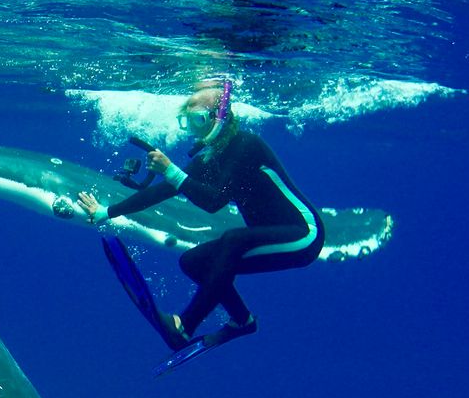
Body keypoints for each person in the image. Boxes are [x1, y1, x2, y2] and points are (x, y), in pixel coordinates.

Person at [77, 81, 324, 351]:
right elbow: (161, 191)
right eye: (187, 121)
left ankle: (183, 326)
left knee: (233, 240)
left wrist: (172, 170)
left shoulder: (245, 145)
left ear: (219, 117)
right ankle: (242, 321)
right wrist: (107, 212)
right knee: (193, 262)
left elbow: (213, 201)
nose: (193, 128)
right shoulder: (211, 157)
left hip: (304, 234)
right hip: (271, 238)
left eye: (197, 119)